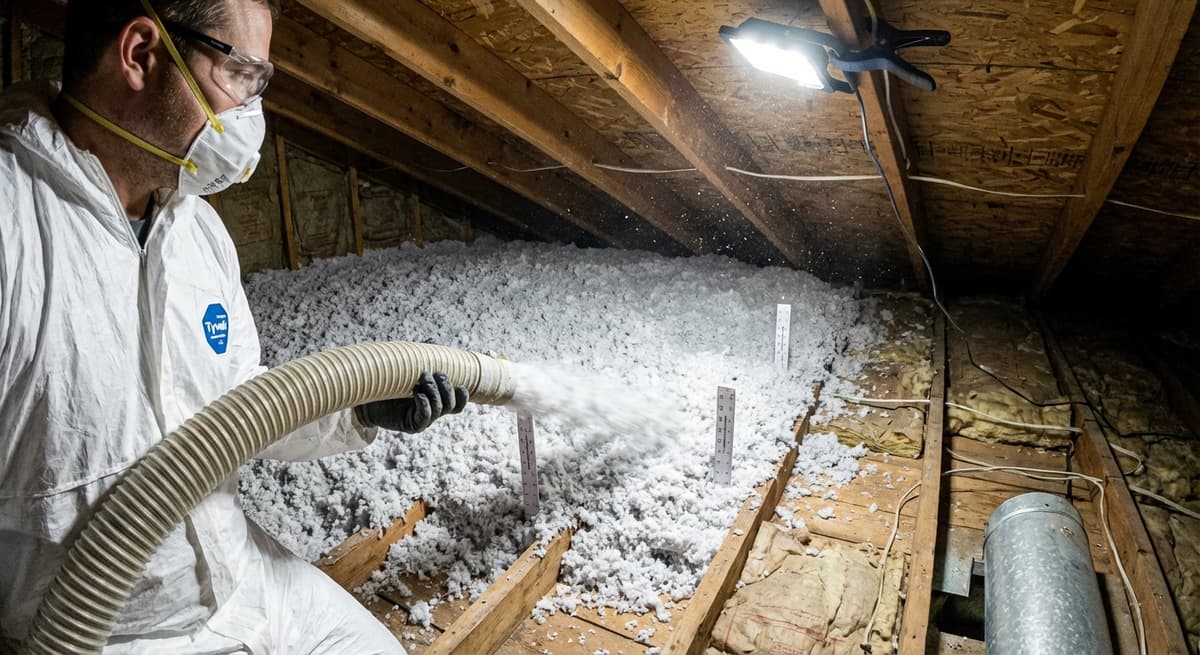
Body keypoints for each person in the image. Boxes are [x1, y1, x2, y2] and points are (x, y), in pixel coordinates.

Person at [0, 1, 467, 651]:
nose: (251, 112)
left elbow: (240, 409)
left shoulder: (196, 228)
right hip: (112, 631)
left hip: (244, 579)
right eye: (240, 74)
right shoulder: (14, 228)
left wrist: (359, 408)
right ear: (140, 54)